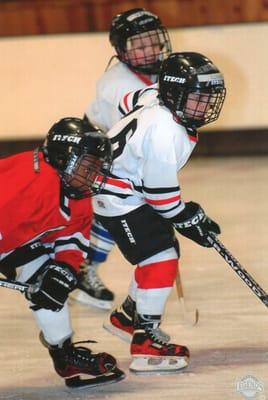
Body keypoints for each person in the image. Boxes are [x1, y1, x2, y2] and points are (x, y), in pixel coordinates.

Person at [92, 52, 226, 374]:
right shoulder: (167, 132)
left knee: (163, 250)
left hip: (124, 190)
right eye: (198, 97)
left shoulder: (155, 96)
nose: (205, 105)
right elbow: (161, 197)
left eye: (209, 96)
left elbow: (126, 101)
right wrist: (190, 219)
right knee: (160, 258)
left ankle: (127, 318)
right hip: (119, 198)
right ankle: (145, 341)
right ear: (176, 94)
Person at [0, 117, 125, 388]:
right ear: (63, 156)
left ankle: (64, 355)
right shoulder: (28, 186)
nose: (92, 175)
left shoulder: (74, 190)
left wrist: (65, 268)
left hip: (15, 242)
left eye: (96, 167)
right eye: (87, 166)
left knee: (51, 281)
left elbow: (73, 237)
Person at [70, 7, 172, 311]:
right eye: (139, 45)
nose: (150, 49)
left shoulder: (158, 69)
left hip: (118, 150)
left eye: (153, 41)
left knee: (119, 210)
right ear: (122, 50)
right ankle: (80, 269)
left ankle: (82, 267)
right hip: (96, 152)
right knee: (114, 210)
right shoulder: (116, 82)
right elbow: (139, 118)